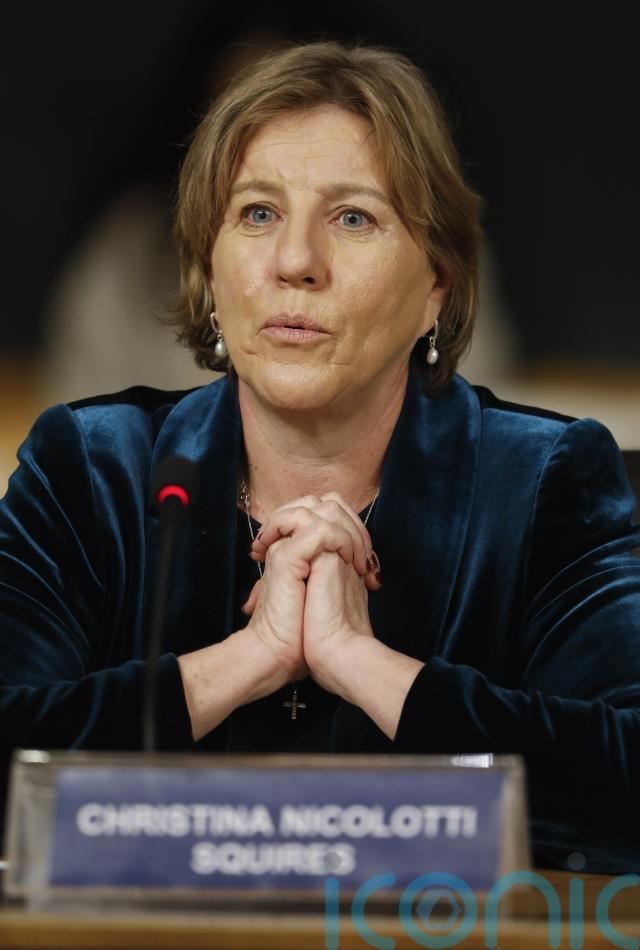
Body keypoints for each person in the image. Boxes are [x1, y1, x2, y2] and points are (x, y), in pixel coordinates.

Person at [1, 42, 639, 873]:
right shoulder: (92, 469)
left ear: (438, 283)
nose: (296, 262)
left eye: (353, 218)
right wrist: (246, 661)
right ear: (210, 270)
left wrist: (362, 664)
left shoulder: (543, 481)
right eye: (258, 213)